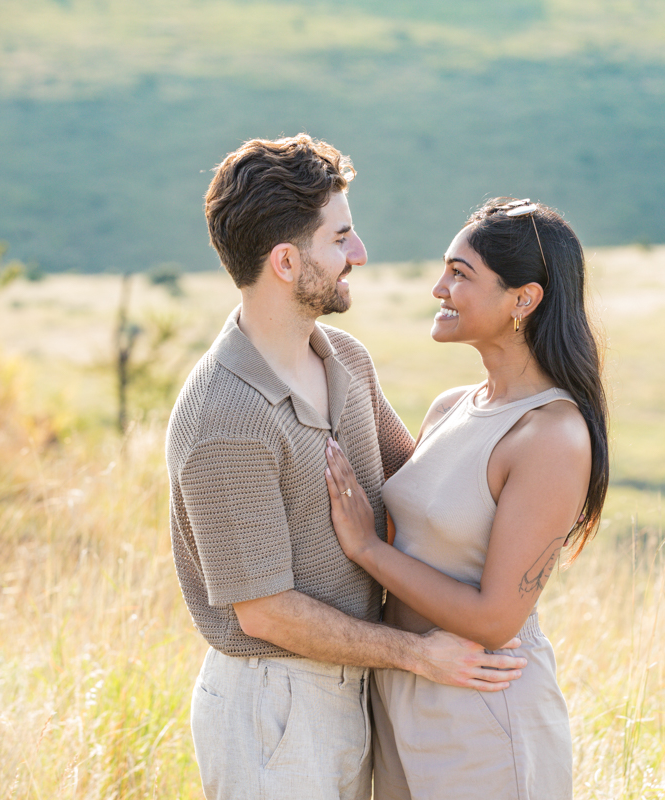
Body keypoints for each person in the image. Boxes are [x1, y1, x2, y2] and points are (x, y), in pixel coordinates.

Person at [166, 136, 527, 800]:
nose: (358, 254)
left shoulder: (344, 359)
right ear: (284, 261)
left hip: (354, 683)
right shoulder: (225, 418)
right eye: (340, 239)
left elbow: (415, 484)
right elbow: (267, 614)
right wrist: (416, 654)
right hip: (272, 708)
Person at [324, 197, 609, 800]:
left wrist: (368, 550)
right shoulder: (450, 407)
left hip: (484, 706)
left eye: (460, 274)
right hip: (404, 688)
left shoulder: (550, 434)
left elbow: (496, 618)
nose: (438, 288)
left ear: (522, 300)